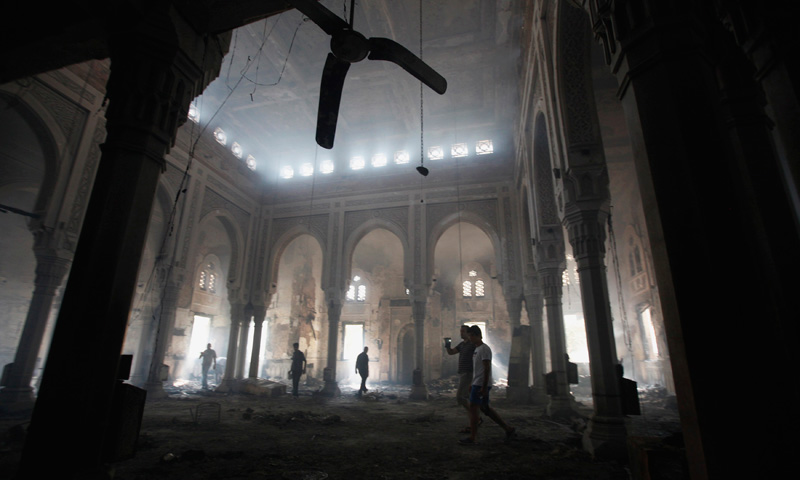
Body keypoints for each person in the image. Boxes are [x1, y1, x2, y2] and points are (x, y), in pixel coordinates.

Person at [459, 325, 515, 445]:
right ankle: (508, 429)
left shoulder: (484, 349)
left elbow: (486, 368)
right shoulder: (477, 349)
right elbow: (477, 369)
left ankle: (472, 438)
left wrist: (483, 387)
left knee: (474, 409)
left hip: (480, 384)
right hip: (477, 383)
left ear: (475, 335)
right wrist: (472, 383)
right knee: (485, 408)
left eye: (470, 336)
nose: (469, 339)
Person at [445, 325, 481, 433]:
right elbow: (451, 352)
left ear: (468, 333)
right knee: (467, 398)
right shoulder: (462, 345)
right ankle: (473, 422)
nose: (461, 333)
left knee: (460, 397)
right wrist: (447, 345)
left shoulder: (472, 344)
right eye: (460, 331)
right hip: (463, 373)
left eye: (463, 331)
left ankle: (476, 418)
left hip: (468, 373)